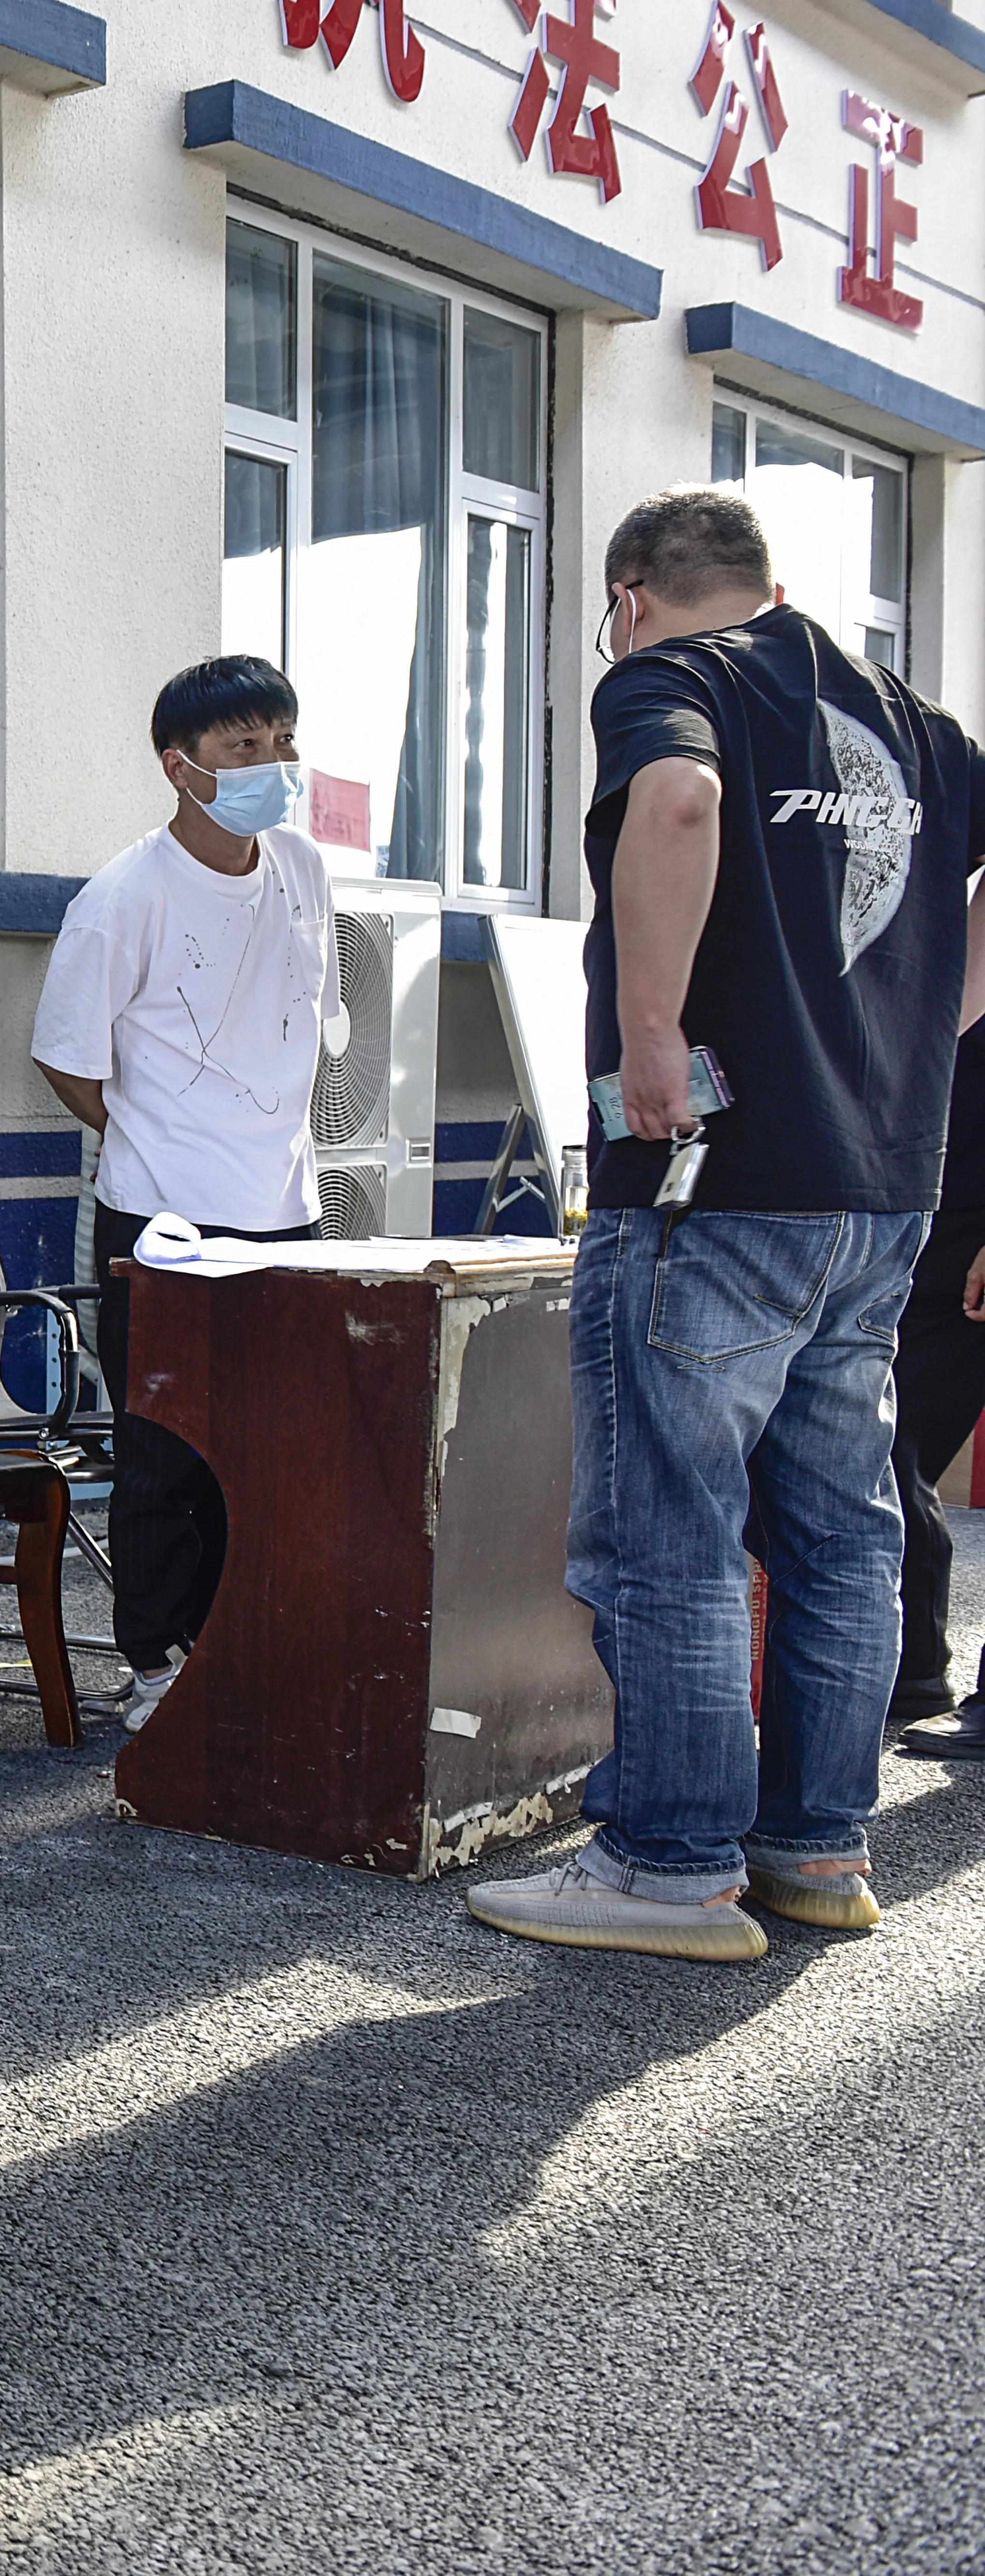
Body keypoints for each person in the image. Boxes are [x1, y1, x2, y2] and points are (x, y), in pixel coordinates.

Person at [470, 487, 985, 1964]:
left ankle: (669, 1863)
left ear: (632, 592)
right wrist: (932, 1028)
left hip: (713, 1175)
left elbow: (680, 802)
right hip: (882, 1183)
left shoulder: (673, 680)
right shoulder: (914, 724)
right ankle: (816, 1848)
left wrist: (646, 1033)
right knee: (839, 1525)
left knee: (669, 1526)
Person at [30, 656, 333, 1729]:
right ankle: (156, 1663)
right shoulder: (123, 897)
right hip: (163, 1220)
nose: (271, 765)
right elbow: (66, 1057)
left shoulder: (301, 866)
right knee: (164, 1455)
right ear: (180, 765)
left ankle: (243, 1643)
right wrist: (156, 1138)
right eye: (242, 747)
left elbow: (307, 1020)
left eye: (281, 741)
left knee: (272, 1456)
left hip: (286, 1213)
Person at [885, 1024, 985, 1761]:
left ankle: (918, 1664)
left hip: (971, 1218)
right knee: (888, 1440)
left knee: (894, 1436)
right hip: (924, 1192)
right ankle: (913, 1662)